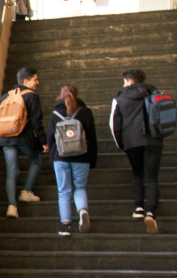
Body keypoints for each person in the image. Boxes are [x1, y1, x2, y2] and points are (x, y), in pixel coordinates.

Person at [110, 68, 163, 234]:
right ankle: (151, 212)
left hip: (132, 142)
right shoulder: (155, 94)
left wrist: (122, 144)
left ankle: (139, 207)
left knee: (137, 174)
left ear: (130, 81)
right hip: (153, 140)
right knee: (152, 177)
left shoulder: (119, 99)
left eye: (124, 81)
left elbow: (114, 125)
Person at [47, 84, 99, 236]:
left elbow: (50, 139)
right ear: (77, 96)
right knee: (79, 187)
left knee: (64, 191)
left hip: (60, 157)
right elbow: (92, 138)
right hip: (82, 157)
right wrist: (92, 159)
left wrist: (53, 157)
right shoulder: (86, 112)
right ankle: (82, 210)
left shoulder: (55, 114)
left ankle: (66, 226)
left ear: (60, 96)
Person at [0, 66, 45, 218]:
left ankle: (12, 207)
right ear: (26, 81)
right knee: (36, 160)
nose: (38, 82)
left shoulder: (5, 97)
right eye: (35, 79)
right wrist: (43, 142)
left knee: (11, 171)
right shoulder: (32, 96)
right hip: (25, 138)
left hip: (6, 138)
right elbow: (36, 121)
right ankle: (26, 191)